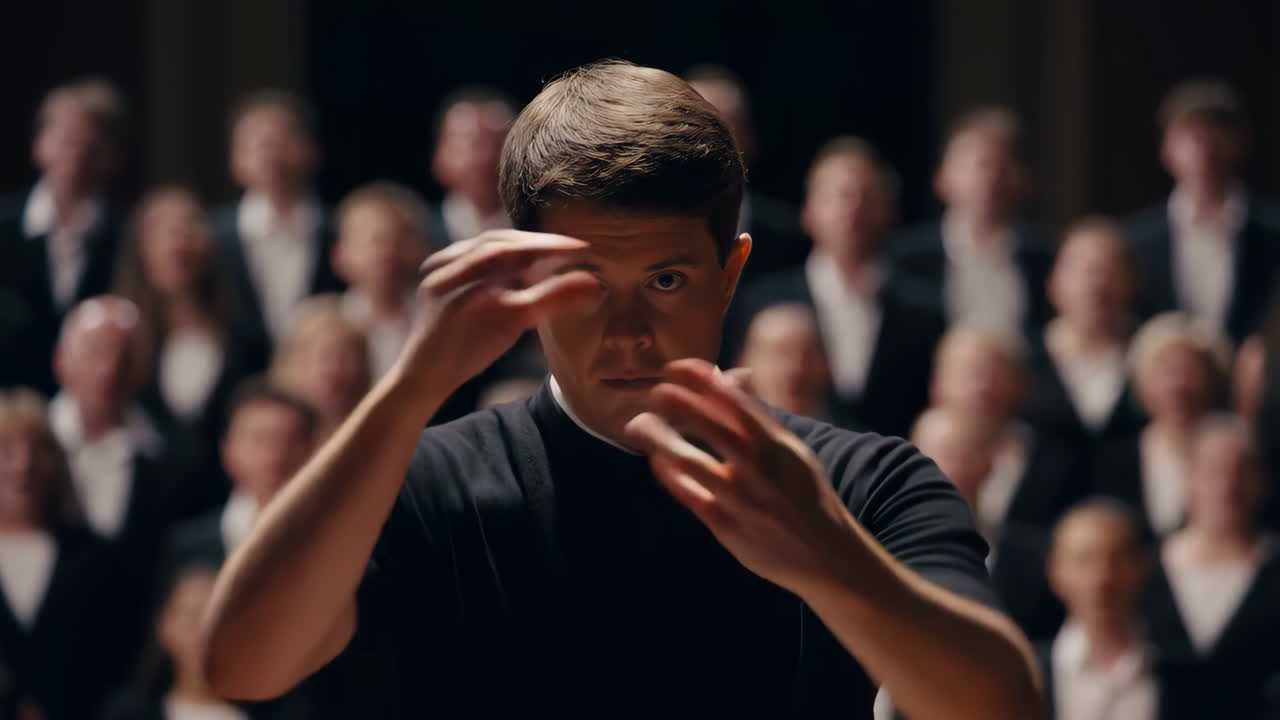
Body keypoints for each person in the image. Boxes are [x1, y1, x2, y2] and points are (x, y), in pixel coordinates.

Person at [200, 60, 1038, 718]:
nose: (628, 332)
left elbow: (1001, 708)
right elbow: (243, 665)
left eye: (666, 280)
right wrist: (410, 388)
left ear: (730, 274)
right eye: (587, 283)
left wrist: (828, 557)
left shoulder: (862, 480)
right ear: (525, 275)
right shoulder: (426, 481)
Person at [724, 137, 944, 437]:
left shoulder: (926, 311)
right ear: (808, 211)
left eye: (867, 196)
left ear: (891, 210)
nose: (853, 208)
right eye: (840, 196)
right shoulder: (760, 302)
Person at [115, 187, 271, 512]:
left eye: (189, 228)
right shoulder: (122, 340)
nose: (177, 244)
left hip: (225, 510)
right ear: (140, 247)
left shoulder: (246, 341)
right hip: (142, 511)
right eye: (162, 231)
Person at [1142, 417, 1280, 719]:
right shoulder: (1144, 569)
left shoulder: (1274, 567)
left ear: (1263, 482)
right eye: (1213, 472)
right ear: (1188, 480)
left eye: (1241, 472)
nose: (1227, 486)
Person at [0, 389, 125, 720]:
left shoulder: (96, 557)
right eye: (6, 451)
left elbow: (116, 663)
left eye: (38, 451)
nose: (23, 466)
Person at [1127, 79, 1280, 346]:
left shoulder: (1273, 233)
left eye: (1217, 130)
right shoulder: (1135, 241)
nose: (1204, 146)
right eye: (1190, 132)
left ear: (1242, 142)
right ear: (1166, 148)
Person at [0, 78, 128, 396]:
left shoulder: (127, 238)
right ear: (39, 144)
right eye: (66, 139)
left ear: (112, 156)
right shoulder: (4, 229)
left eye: (90, 144)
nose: (77, 154)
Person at [893, 107, 1053, 338]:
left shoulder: (1044, 258)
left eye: (1003, 165)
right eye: (981, 165)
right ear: (942, 178)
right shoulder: (904, 259)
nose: (992, 177)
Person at [1040, 500, 1206, 720]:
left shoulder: (1187, 684)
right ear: (1055, 571)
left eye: (1118, 558)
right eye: (1084, 560)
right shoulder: (1027, 674)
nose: (1102, 578)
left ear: (1142, 567)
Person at [911, 405, 1063, 641]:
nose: (957, 467)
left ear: (990, 465)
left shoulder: (1031, 557)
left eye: (969, 455)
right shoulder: (882, 548)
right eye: (946, 454)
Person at [214, 90, 344, 347]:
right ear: (235, 158)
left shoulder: (340, 232)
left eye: (281, 139)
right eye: (256, 142)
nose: (269, 152)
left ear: (311, 150)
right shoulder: (212, 238)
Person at [930, 326, 1086, 536]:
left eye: (996, 374)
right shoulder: (908, 460)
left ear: (1024, 385)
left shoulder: (1058, 462)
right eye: (970, 372)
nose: (983, 387)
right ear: (937, 384)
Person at [1023, 217, 1146, 471]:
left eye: (1109, 271)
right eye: (1082, 271)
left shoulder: (1153, 356)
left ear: (1132, 281)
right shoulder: (1023, 359)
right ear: (1054, 283)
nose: (1096, 285)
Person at [1093, 313, 1230, 539]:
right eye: (1166, 371)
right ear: (1142, 383)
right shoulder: (1116, 457)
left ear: (1214, 379)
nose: (1178, 386)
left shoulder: (1232, 459)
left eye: (1191, 371)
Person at [166, 379, 315, 571]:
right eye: (260, 439)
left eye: (290, 440)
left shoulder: (331, 537)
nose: (275, 455)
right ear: (228, 449)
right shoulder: (188, 546)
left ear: (313, 450)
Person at [685, 64, 807, 287]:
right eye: (699, 126)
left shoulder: (792, 240)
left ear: (751, 139)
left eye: (728, 126)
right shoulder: (647, 229)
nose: (713, 143)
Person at [331, 182, 431, 379]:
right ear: (340, 254)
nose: (387, 253)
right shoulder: (323, 330)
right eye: (374, 241)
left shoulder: (442, 325)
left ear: (422, 249)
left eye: (400, 240)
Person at [268, 296, 371, 440]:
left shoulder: (376, 431)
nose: (333, 370)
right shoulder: (271, 432)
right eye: (324, 356)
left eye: (345, 357)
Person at [431, 87, 515, 245]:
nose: (486, 157)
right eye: (471, 145)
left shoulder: (544, 230)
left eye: (499, 143)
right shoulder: (417, 239)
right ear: (440, 156)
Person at [736, 302, 831, 419]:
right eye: (779, 353)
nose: (794, 368)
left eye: (808, 355)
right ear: (744, 362)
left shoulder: (849, 428)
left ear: (825, 364)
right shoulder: (722, 428)